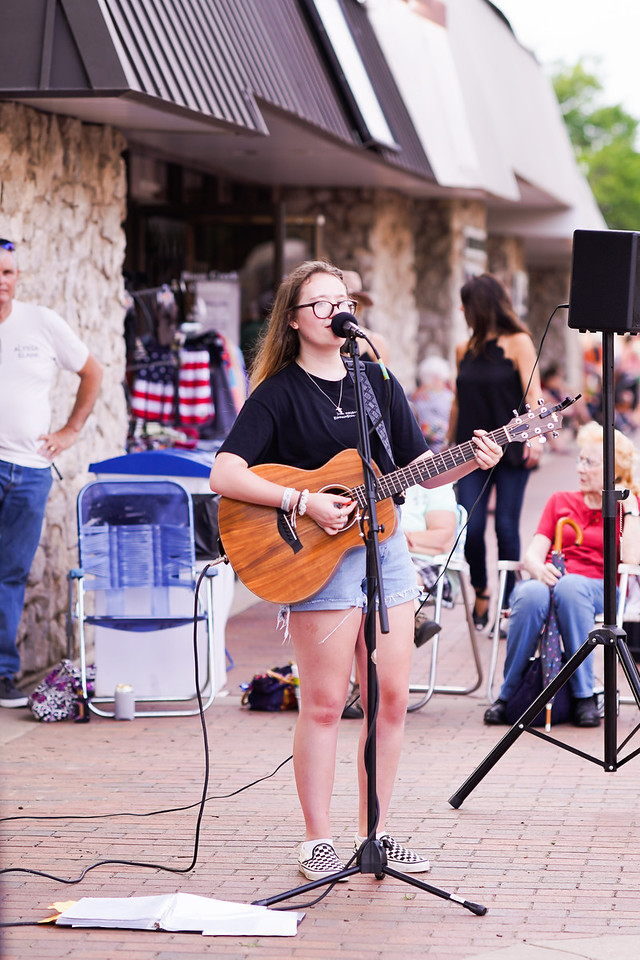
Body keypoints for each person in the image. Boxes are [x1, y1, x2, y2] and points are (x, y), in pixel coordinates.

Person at [209, 260, 502, 881]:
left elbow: (420, 467)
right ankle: (319, 840)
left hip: (385, 555)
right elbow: (225, 472)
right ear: (294, 320)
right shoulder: (281, 390)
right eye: (319, 303)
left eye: (341, 300)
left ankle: (377, 832)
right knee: (321, 704)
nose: (335, 312)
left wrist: (473, 460)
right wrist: (304, 501)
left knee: (389, 699)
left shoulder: (377, 381)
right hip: (316, 559)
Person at [0, 239, 103, 708]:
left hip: (29, 472)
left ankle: (3, 674)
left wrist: (70, 430)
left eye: (8, 272)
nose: (2, 281)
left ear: (17, 277)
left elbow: (92, 372)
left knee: (11, 573)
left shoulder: (39, 322)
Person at [484, 421, 640, 729]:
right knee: (530, 593)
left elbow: (632, 561)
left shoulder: (624, 508)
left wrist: (631, 507)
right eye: (580, 460)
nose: (580, 468)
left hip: (598, 588)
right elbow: (532, 552)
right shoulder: (561, 501)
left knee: (570, 588)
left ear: (613, 471)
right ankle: (508, 695)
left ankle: (584, 697)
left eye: (590, 463)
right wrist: (538, 568)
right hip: (554, 578)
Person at [448, 273, 543, 630]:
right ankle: (481, 589)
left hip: (512, 448)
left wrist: (534, 442)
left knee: (505, 526)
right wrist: (447, 444)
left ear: (480, 305)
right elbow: (459, 400)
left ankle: (507, 605)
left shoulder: (519, 342)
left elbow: (533, 394)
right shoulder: (464, 349)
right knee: (469, 528)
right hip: (467, 451)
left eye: (465, 303)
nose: (461, 309)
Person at [401, 481, 458, 646]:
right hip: (382, 559)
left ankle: (414, 615)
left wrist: (395, 540)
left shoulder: (435, 482)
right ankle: (416, 616)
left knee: (389, 571)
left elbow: (443, 541)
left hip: (428, 564)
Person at [409, 355, 455, 454]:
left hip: (418, 448)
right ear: (437, 377)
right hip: (441, 448)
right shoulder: (447, 397)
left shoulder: (411, 396)